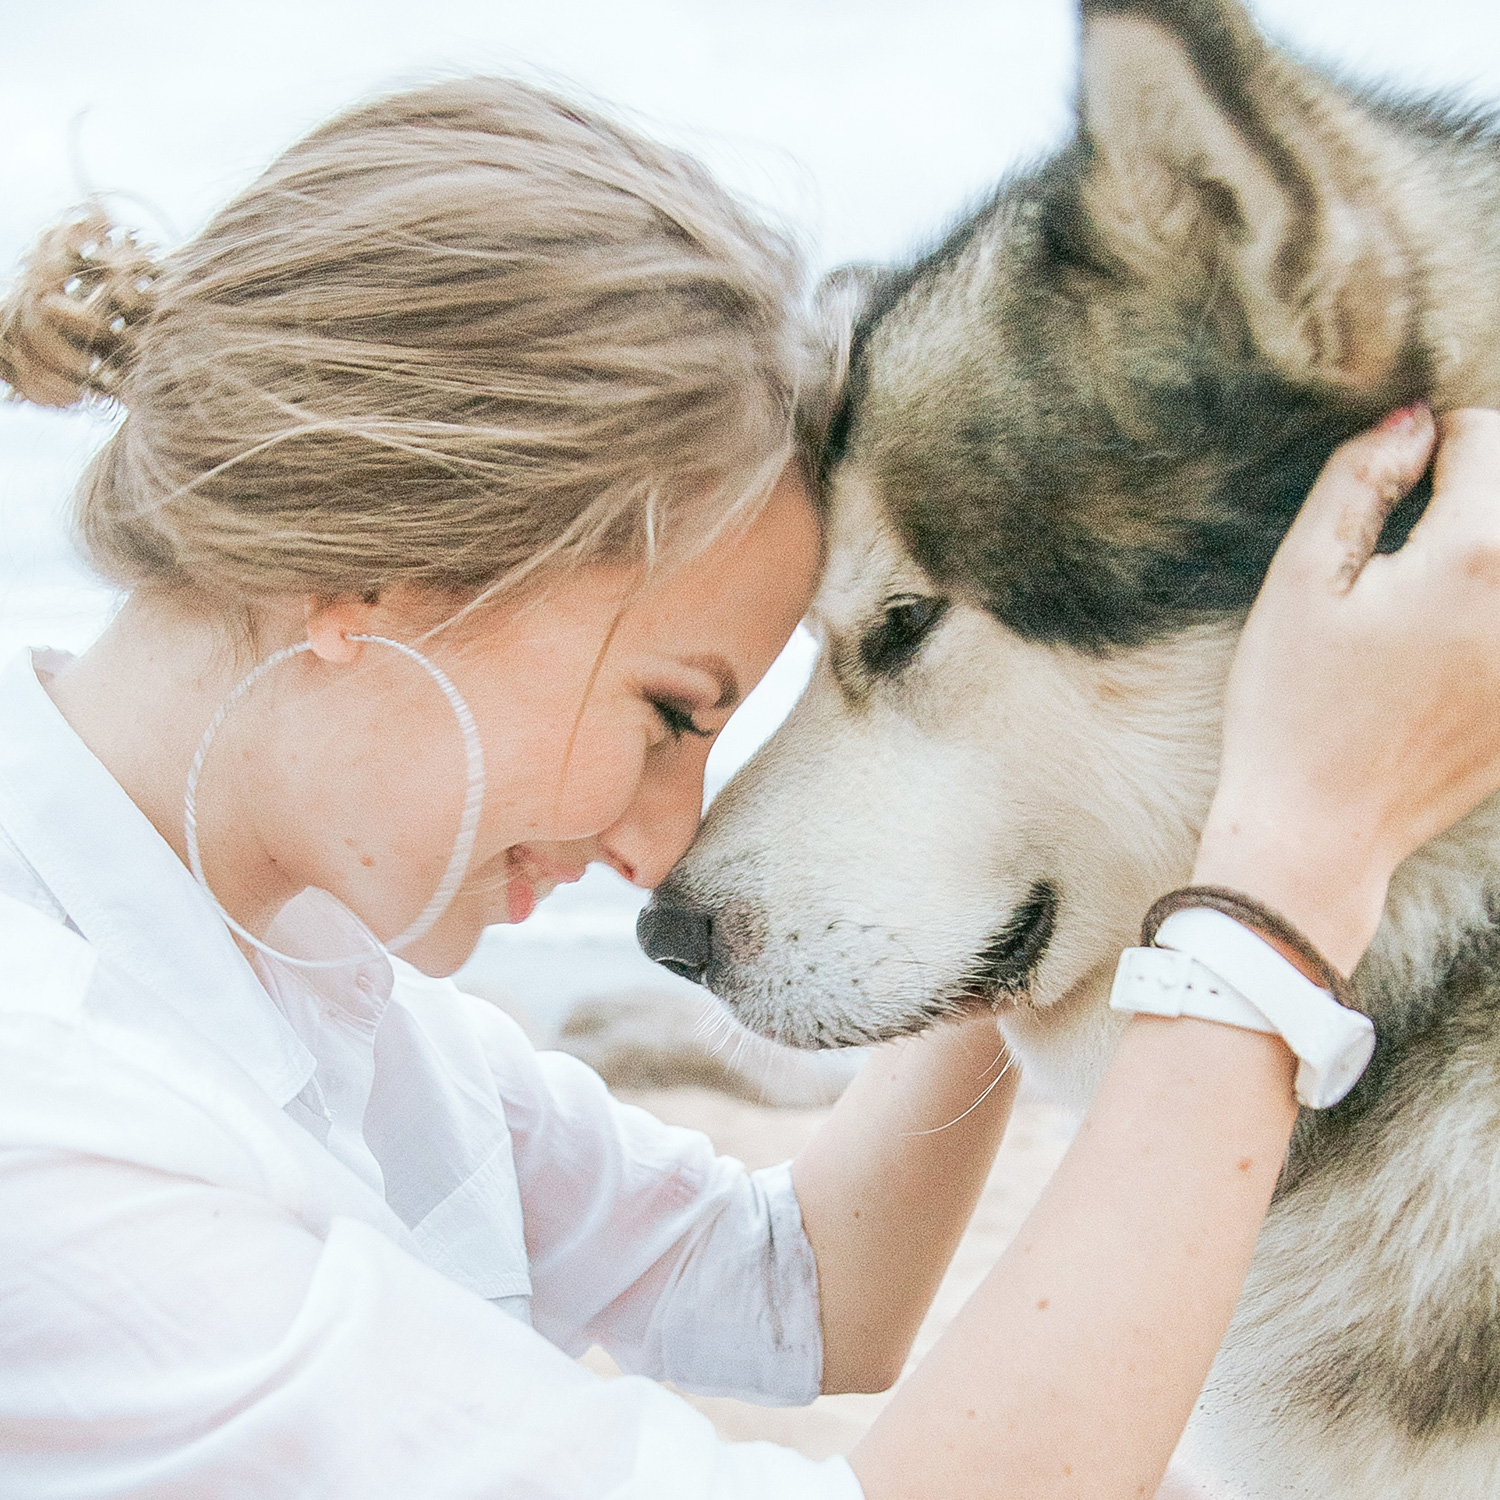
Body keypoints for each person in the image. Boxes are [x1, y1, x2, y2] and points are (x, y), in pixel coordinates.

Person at [1, 75, 1499, 1500]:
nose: (669, 845)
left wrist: (1019, 864)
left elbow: (804, 1291)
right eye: (671, 710)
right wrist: (1292, 867)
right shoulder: (51, 1117)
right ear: (359, 568)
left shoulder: (298, 971)